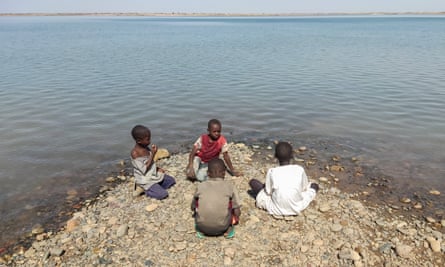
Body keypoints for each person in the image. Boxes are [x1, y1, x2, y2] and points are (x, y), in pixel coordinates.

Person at [249, 141, 319, 216]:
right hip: (297, 206)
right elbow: (304, 188)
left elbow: (268, 192)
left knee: (253, 182)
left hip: (276, 208)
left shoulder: (272, 171)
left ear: (275, 156)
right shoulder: (299, 169)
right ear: (292, 155)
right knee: (314, 186)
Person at [191, 158, 241, 238]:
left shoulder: (201, 186)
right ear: (224, 173)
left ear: (208, 173)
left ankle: (201, 230)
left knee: (199, 202)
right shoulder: (230, 186)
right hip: (222, 227)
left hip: (202, 227)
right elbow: (237, 211)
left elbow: (193, 207)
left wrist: (195, 211)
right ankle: (229, 229)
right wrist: (236, 217)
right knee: (231, 207)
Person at [130, 125, 175, 199]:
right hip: (144, 178)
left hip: (152, 174)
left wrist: (157, 168)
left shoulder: (145, 147)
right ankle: (143, 189)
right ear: (139, 141)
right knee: (163, 194)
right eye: (147, 139)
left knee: (171, 181)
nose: (150, 141)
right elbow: (144, 169)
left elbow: (151, 162)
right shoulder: (135, 153)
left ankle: (154, 187)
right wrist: (153, 154)